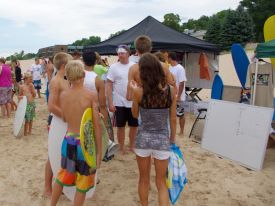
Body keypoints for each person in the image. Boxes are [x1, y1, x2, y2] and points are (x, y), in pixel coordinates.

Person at [51, 60, 102, 206]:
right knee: (83, 183)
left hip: (68, 140)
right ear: (83, 74)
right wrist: (98, 152)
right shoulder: (91, 95)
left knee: (62, 176)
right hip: (84, 144)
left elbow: (66, 118)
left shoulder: (63, 95)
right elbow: (96, 126)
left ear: (67, 76)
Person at [131, 53, 176, 206]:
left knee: (143, 179)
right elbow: (173, 118)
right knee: (161, 182)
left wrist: (134, 94)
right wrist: (172, 140)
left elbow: (135, 115)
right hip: (162, 140)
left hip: (143, 139)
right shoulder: (170, 91)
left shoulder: (139, 91)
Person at [43, 52, 72, 198]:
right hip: (58, 121)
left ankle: (61, 186)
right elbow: (51, 106)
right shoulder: (56, 81)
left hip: (65, 122)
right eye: (70, 63)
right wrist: (67, 117)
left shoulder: (66, 80)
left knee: (64, 153)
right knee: (53, 154)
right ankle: (47, 187)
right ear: (63, 65)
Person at [106, 45, 138, 154]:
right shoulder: (114, 67)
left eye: (122, 53)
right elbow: (109, 85)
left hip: (133, 102)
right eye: (119, 53)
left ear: (128, 53)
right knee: (120, 126)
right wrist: (110, 103)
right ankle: (121, 147)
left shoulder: (135, 66)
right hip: (118, 101)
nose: (120, 55)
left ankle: (132, 145)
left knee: (134, 125)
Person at [127, 35, 175, 101]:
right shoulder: (164, 66)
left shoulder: (133, 69)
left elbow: (129, 97)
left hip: (143, 107)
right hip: (162, 106)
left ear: (136, 50)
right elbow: (172, 91)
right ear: (151, 48)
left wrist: (138, 91)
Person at [168, 52, 187, 135]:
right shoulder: (169, 68)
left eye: (167, 58)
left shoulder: (180, 68)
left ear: (170, 58)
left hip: (179, 96)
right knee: (171, 114)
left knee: (181, 114)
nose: (167, 60)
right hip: (171, 95)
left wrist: (178, 96)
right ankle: (172, 130)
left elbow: (182, 83)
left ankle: (182, 131)